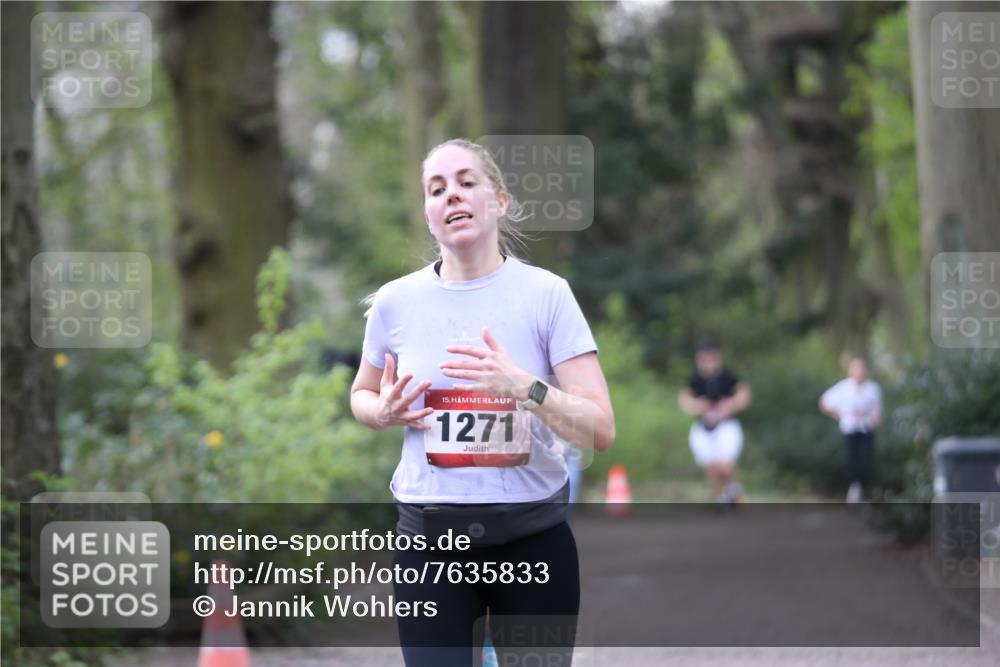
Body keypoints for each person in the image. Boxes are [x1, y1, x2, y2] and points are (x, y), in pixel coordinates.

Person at [350, 138, 615, 666]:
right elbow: (361, 392)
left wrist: (526, 389)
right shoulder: (395, 302)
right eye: (437, 188)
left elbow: (599, 430)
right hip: (430, 545)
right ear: (428, 215)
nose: (452, 195)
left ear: (500, 201)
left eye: (467, 182)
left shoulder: (547, 295)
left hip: (532, 540)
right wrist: (381, 412)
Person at [678, 341, 751, 508]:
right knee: (711, 466)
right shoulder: (695, 379)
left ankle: (734, 491)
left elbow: (744, 395)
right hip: (704, 428)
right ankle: (721, 498)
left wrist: (729, 405)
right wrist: (698, 406)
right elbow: (684, 400)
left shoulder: (727, 377)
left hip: (725, 426)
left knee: (724, 464)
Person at [819, 355, 882, 503]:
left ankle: (863, 489)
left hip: (866, 429)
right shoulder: (843, 387)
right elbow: (824, 402)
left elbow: (878, 411)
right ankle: (854, 489)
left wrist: (875, 419)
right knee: (853, 462)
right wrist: (837, 414)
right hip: (850, 429)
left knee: (866, 461)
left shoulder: (873, 388)